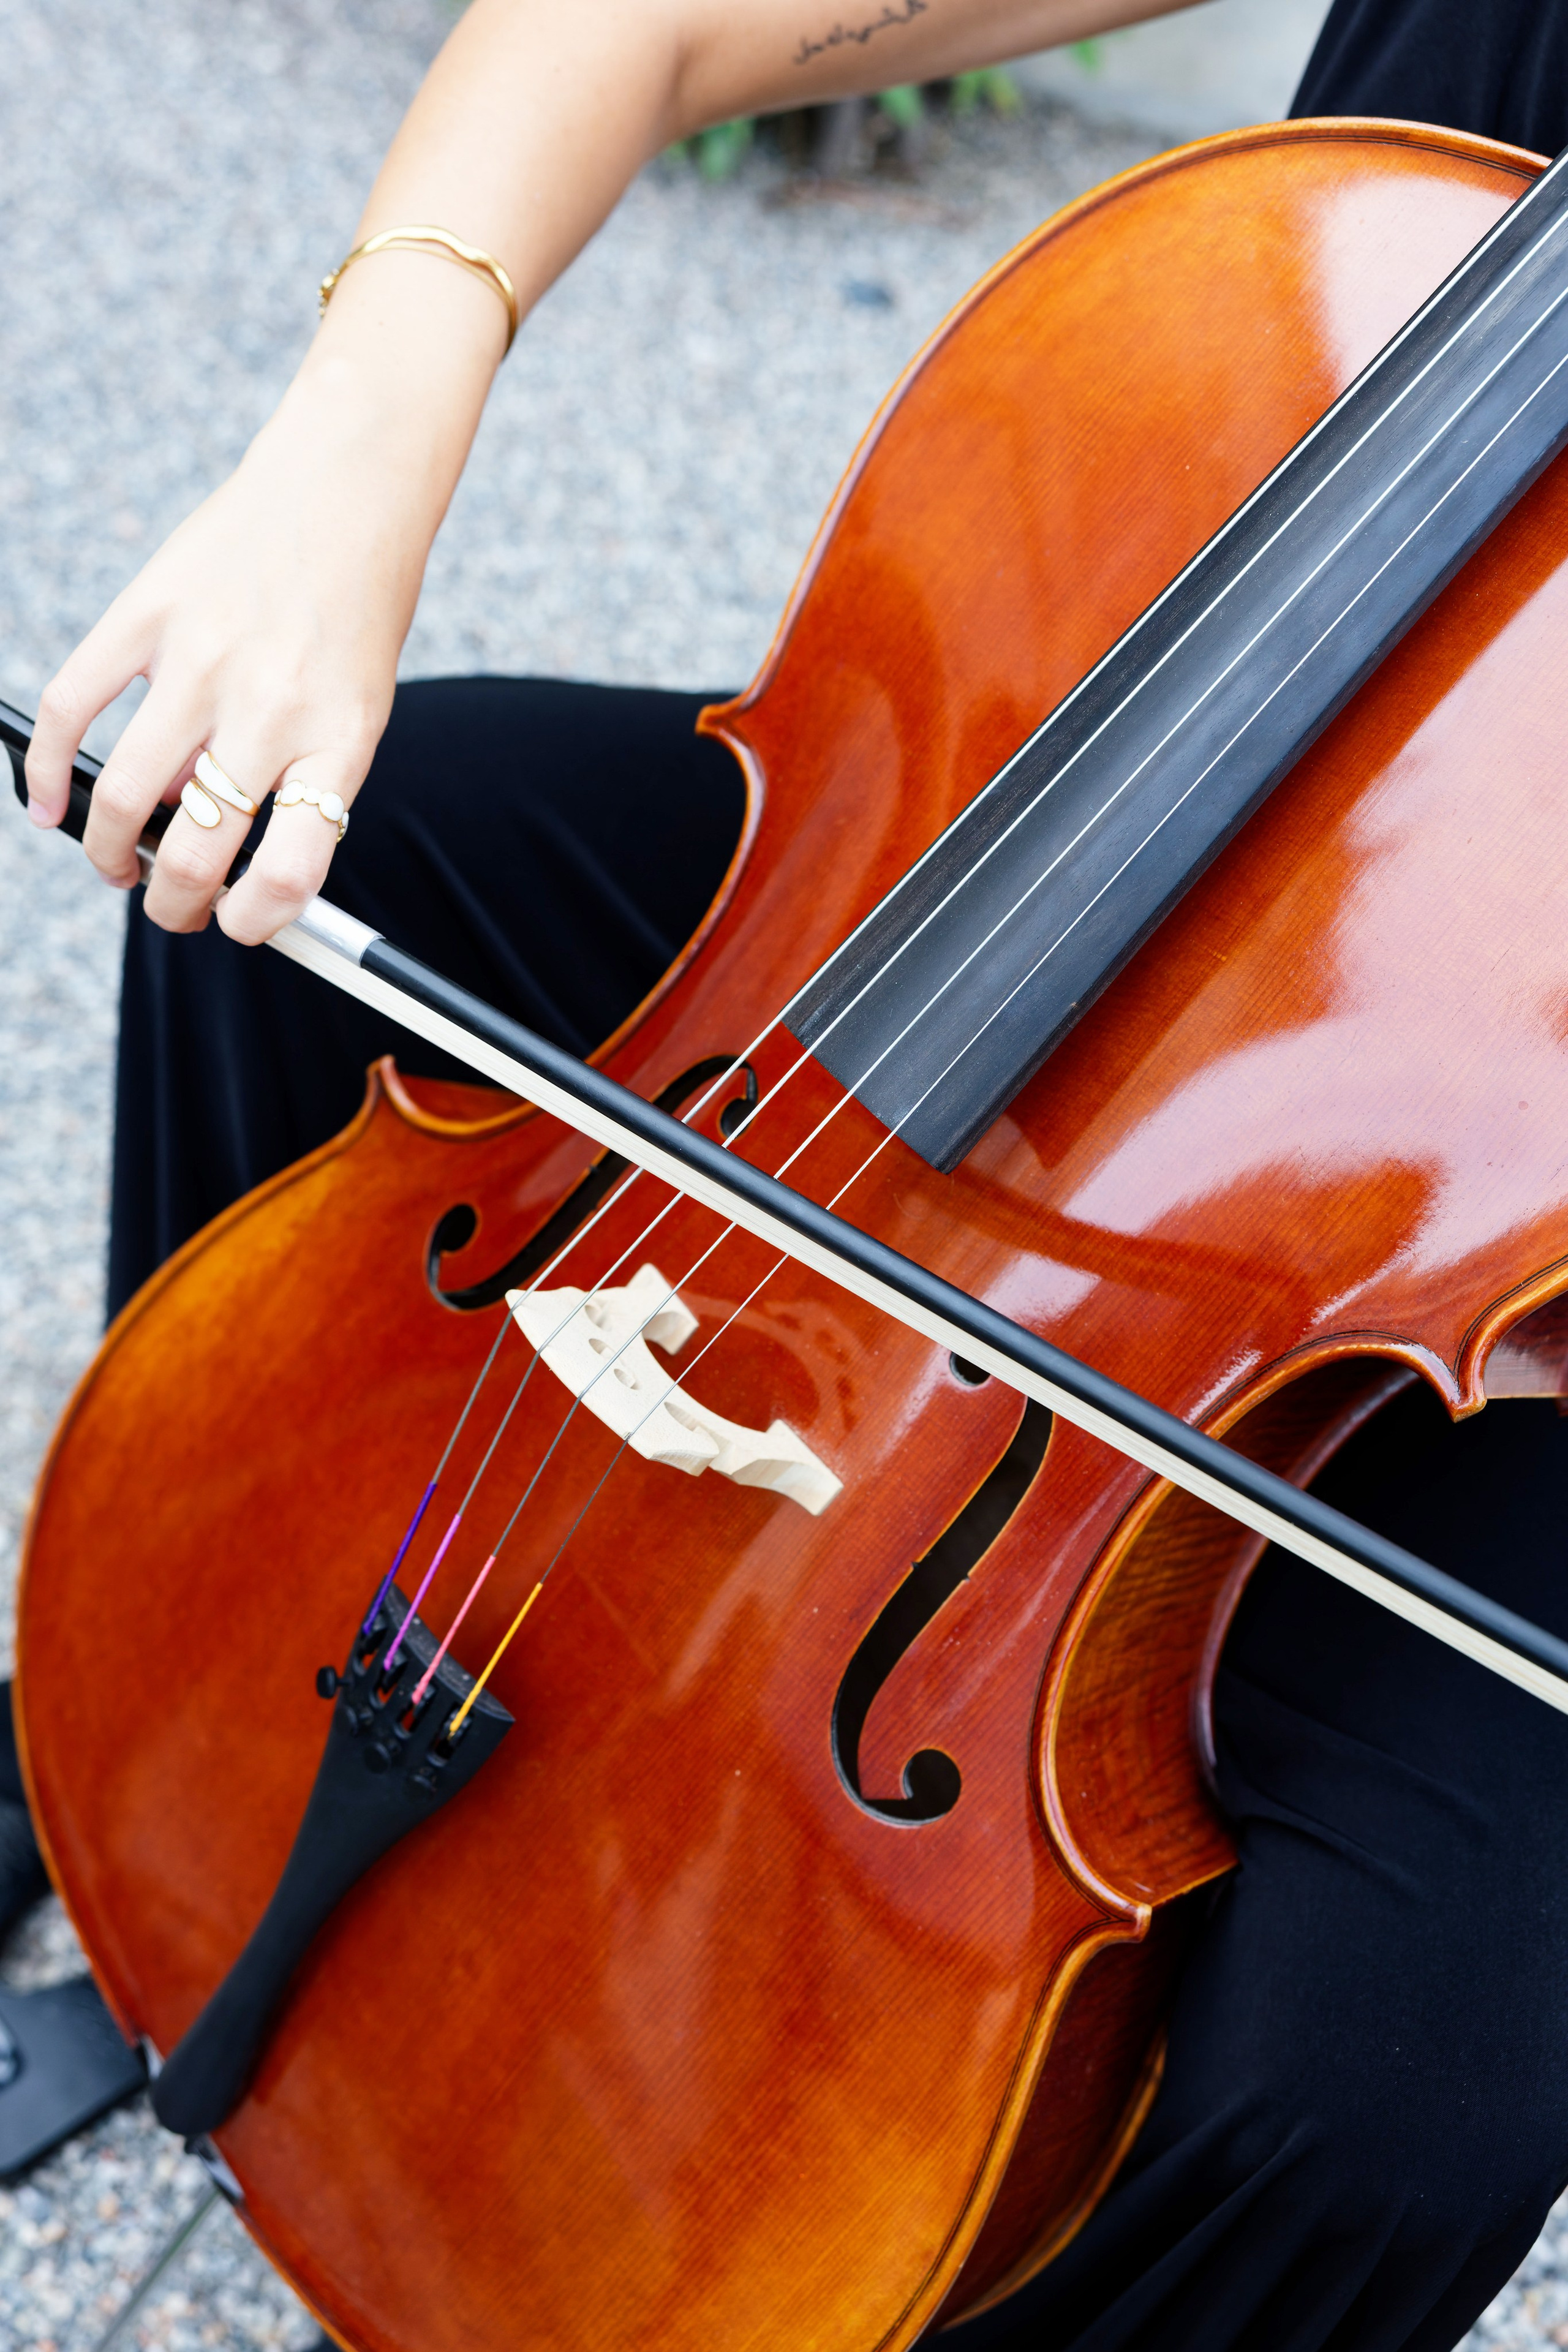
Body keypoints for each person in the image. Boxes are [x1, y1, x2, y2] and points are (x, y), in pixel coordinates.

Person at [15, 0, 1568, 2344]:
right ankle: (153, 1760)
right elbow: (634, 20)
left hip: (1461, 1229)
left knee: (1386, 2092)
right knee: (330, 874)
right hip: (1029, 830)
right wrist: (353, 458)